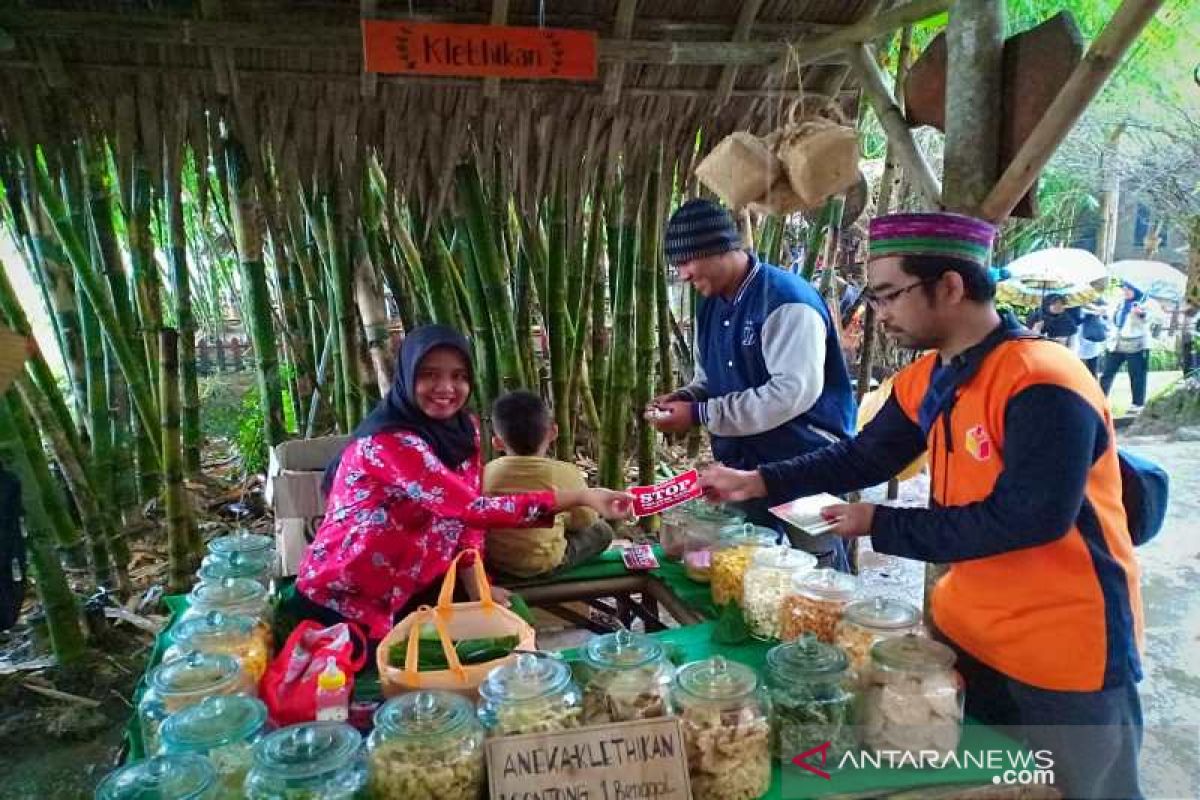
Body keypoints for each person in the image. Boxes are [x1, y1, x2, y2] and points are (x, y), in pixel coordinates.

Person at [699, 212, 1144, 799]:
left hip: (1065, 654)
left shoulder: (1041, 380)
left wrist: (881, 523)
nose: (880, 315)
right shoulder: (932, 377)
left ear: (951, 286)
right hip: (968, 639)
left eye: (890, 295)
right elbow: (863, 458)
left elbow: (1029, 519)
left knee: (1081, 792)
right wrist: (757, 480)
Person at [291, 325, 632, 641]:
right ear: (406, 377)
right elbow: (472, 509)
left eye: (459, 377)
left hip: (415, 589)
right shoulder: (389, 442)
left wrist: (477, 586)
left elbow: (466, 523)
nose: (446, 388)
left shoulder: (463, 429)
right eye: (429, 375)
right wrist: (580, 496)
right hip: (345, 596)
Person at [647, 198, 857, 570]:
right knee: (751, 562)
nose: (682, 275)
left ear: (718, 249)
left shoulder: (787, 301)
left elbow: (790, 394)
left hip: (805, 461)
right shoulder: (710, 303)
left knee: (816, 569)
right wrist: (687, 397)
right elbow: (709, 378)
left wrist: (698, 413)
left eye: (686, 263)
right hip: (744, 465)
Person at [482, 390, 614, 579]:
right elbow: (585, 520)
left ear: (497, 443)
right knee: (602, 531)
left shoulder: (487, 472)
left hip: (496, 563)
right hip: (543, 564)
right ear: (553, 432)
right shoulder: (564, 472)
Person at [1100, 282, 1163, 413]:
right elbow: (1113, 318)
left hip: (1137, 344)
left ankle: (1137, 404)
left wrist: (1141, 314)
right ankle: (1099, 400)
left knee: (1137, 375)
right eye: (1124, 288)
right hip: (1117, 343)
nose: (1125, 291)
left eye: (1129, 289)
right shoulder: (1119, 302)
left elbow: (1154, 318)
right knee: (1107, 373)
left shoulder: (1147, 302)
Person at [1077, 301, 1109, 378]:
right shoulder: (1076, 309)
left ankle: (1093, 388)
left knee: (1092, 371)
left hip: (1092, 342)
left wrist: (1094, 308)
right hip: (1078, 343)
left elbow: (1104, 313)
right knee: (1080, 371)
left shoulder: (1098, 303)